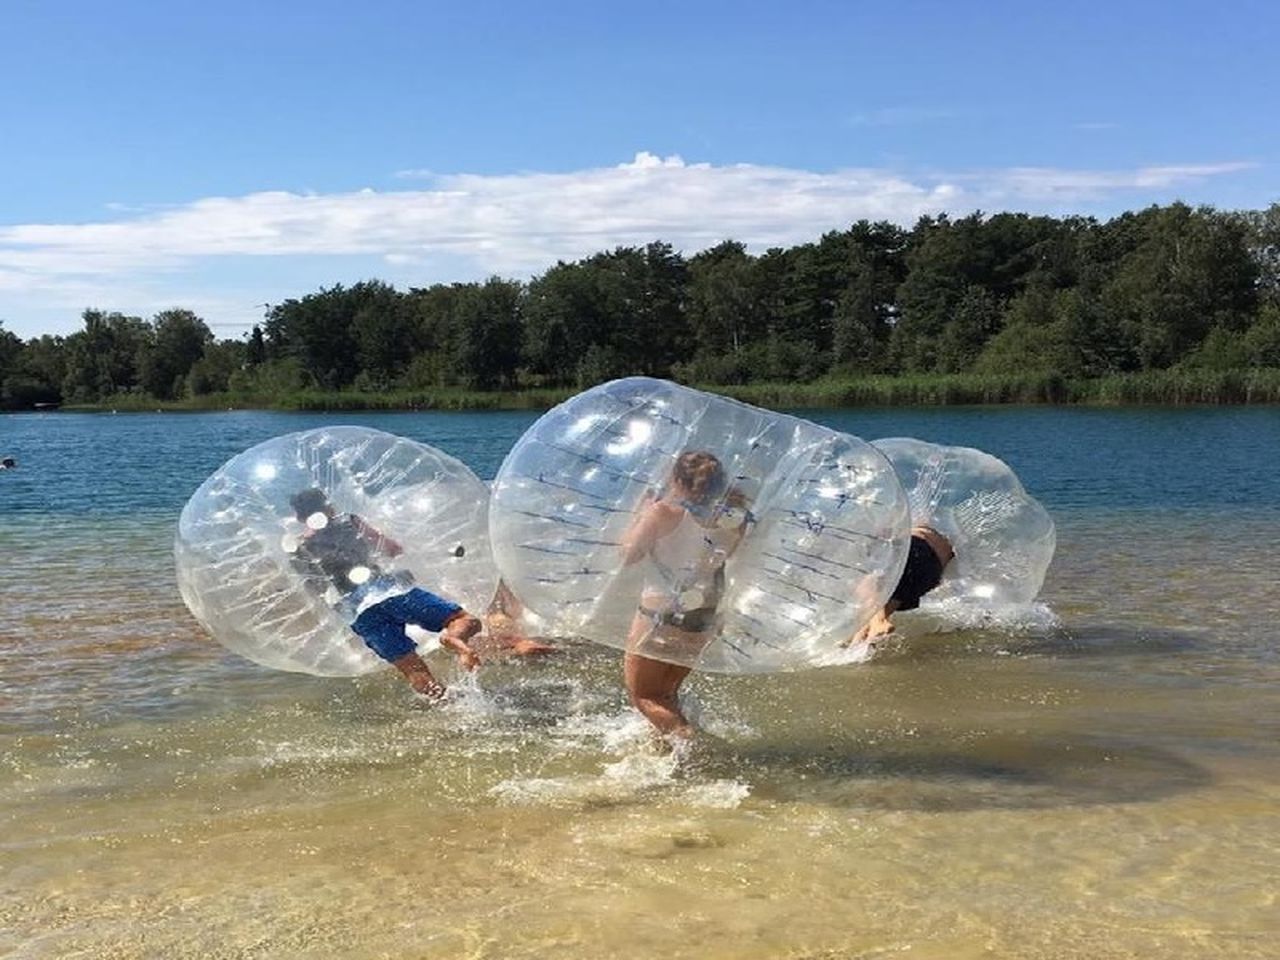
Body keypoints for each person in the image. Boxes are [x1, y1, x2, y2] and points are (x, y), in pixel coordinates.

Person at [287, 488, 483, 700]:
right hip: (386, 591)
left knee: (412, 669)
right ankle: (454, 638)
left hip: (359, 614)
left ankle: (447, 705)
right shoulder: (349, 521)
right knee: (464, 620)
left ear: (299, 517)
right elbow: (391, 548)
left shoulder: (298, 548)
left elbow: (315, 588)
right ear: (329, 506)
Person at [619, 451, 753, 741]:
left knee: (644, 697)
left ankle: (691, 747)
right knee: (666, 693)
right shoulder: (735, 519)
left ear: (677, 480)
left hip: (659, 615)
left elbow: (628, 555)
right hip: (704, 617)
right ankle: (667, 752)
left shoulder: (661, 513)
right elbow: (724, 558)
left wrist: (641, 513)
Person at [848, 525, 954, 647]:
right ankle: (863, 638)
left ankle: (878, 622)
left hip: (916, 553)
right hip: (930, 570)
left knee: (872, 588)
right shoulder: (941, 528)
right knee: (876, 606)